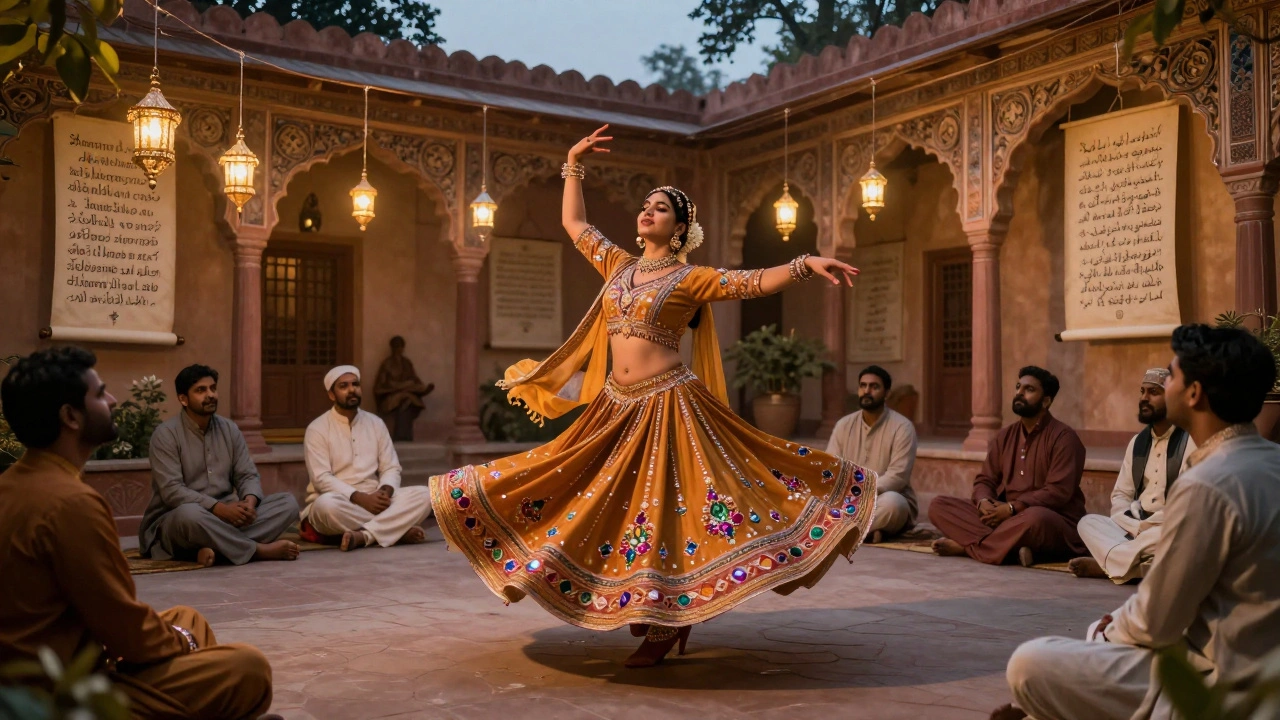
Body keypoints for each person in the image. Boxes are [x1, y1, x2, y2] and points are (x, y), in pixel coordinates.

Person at [429, 124, 875, 669]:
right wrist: (573, 162)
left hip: (669, 406)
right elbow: (574, 223)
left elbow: (751, 282)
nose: (647, 213)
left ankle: (669, 621)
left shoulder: (690, 278)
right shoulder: (619, 267)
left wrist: (806, 264)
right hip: (614, 407)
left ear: (680, 227)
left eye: (660, 208)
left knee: (667, 516)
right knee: (593, 501)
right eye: (645, 206)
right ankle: (649, 612)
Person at [1000, 324, 1280, 720]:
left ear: (1194, 393)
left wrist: (1105, 632)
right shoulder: (1270, 461)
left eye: (1172, 377)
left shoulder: (1207, 484)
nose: (1162, 390)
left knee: (1030, 662)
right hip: (1261, 671)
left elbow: (1155, 624)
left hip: (1220, 685)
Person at [0, 347, 276, 718]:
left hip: (73, 657)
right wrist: (178, 646)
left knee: (187, 617)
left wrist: (175, 638)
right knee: (247, 667)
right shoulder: (72, 503)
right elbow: (122, 628)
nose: (112, 400)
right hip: (66, 693)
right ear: (70, 417)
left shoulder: (13, 483)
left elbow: (100, 615)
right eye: (100, 394)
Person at [139, 364, 300, 567]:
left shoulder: (229, 429)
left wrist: (249, 504)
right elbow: (172, 492)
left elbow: (247, 475)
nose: (210, 395)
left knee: (288, 503)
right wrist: (219, 509)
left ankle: (215, 549)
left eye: (213, 388)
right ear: (183, 399)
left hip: (228, 516)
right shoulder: (165, 435)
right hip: (180, 518)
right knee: (189, 515)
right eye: (201, 390)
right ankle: (256, 550)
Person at [929, 366, 1088, 567]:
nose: (1020, 393)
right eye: (1018, 387)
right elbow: (985, 479)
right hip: (1003, 517)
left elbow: (1058, 492)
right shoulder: (1005, 436)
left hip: (1050, 519)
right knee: (939, 506)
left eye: (1029, 390)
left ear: (1046, 401)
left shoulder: (1064, 438)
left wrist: (1013, 508)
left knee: (1034, 519)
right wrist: (984, 502)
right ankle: (1007, 548)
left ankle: (969, 548)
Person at [1071, 368, 1195, 582]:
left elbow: (1188, 502)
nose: (1144, 398)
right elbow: (1120, 495)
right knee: (1087, 523)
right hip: (1134, 527)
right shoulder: (1137, 443)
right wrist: (1129, 522)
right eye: (1142, 391)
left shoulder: (1190, 442)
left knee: (1183, 534)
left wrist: (1149, 526)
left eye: (1154, 392)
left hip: (1167, 525)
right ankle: (1138, 566)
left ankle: (1112, 564)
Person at [302, 365, 432, 551]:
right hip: (341, 502)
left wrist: (385, 492)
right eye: (343, 386)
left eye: (355, 384)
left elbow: (390, 468)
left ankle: (365, 535)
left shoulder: (375, 423)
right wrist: (359, 498)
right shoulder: (317, 429)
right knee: (325, 506)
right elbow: (321, 479)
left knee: (425, 494)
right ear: (331, 395)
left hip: (376, 497)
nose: (351, 390)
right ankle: (396, 530)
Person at [826, 365, 919, 543]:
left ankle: (837, 530)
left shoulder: (902, 427)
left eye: (874, 387)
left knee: (894, 505)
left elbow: (898, 477)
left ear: (887, 393)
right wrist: (847, 495)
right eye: (863, 386)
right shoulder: (843, 425)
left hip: (882, 497)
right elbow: (832, 467)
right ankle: (867, 531)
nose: (867, 391)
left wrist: (861, 492)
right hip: (847, 499)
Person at [373, 336, 434, 442]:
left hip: (408, 392)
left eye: (400, 347)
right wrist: (396, 388)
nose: (398, 349)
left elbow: (414, 379)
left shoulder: (406, 363)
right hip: (392, 395)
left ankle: (404, 435)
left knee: (408, 401)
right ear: (392, 348)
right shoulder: (387, 364)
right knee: (403, 401)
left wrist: (420, 388)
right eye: (396, 347)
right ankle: (400, 436)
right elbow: (379, 388)